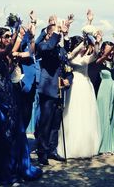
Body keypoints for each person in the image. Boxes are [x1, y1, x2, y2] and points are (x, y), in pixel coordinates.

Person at [0, 23, 42, 185]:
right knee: (0, 134)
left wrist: (24, 35)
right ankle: (1, 170)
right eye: (6, 36)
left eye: (10, 36)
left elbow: (29, 52)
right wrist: (17, 33)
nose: (9, 39)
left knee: (14, 132)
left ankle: (15, 167)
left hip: (9, 94)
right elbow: (7, 52)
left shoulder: (7, 55)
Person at [57, 29, 102, 159]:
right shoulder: (71, 57)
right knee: (73, 113)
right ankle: (72, 146)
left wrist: (97, 42)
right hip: (75, 87)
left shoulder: (86, 58)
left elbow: (96, 54)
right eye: (81, 44)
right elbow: (70, 57)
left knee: (86, 114)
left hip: (86, 87)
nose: (84, 46)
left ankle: (86, 145)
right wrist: (82, 43)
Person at [36, 21, 73, 165]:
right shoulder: (44, 46)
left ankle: (52, 150)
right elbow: (49, 46)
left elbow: (67, 69)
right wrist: (59, 32)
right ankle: (42, 152)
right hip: (48, 90)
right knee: (45, 123)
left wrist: (68, 80)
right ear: (49, 35)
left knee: (55, 124)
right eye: (54, 33)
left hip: (59, 91)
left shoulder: (61, 50)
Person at [96, 41, 114, 154]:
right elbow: (104, 57)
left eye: (111, 50)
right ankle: (103, 146)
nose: (110, 53)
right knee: (104, 115)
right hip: (104, 89)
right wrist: (113, 46)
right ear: (102, 50)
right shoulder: (99, 61)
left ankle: (113, 144)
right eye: (107, 50)